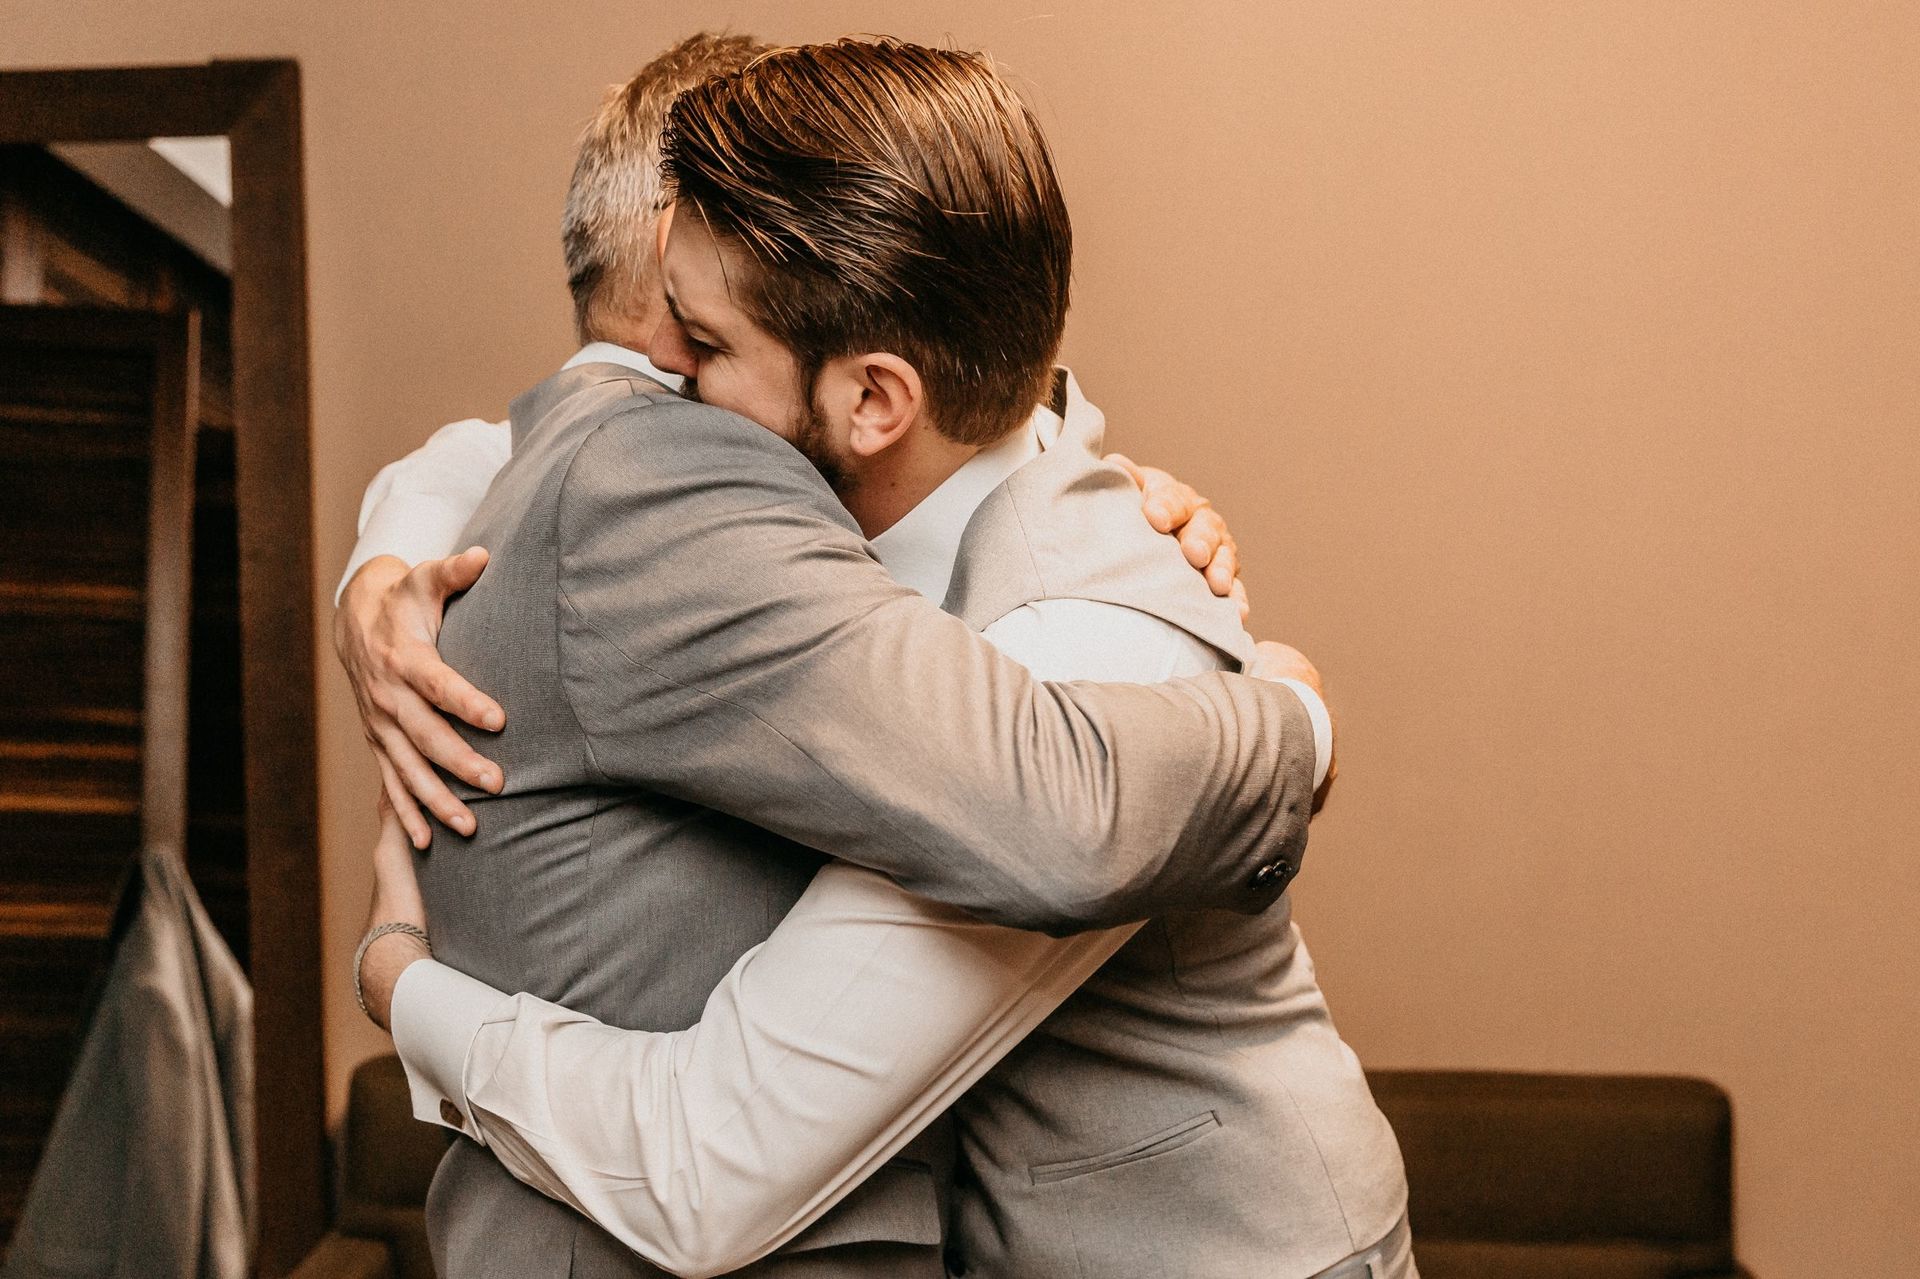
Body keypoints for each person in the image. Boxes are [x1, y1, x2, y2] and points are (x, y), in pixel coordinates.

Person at [337, 35, 1352, 1279]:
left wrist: (1297, 723)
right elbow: (523, 444)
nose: (660, 394)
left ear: (875, 402)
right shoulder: (872, 507)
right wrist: (380, 571)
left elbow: (710, 1165)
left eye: (698, 352)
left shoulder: (1085, 646)